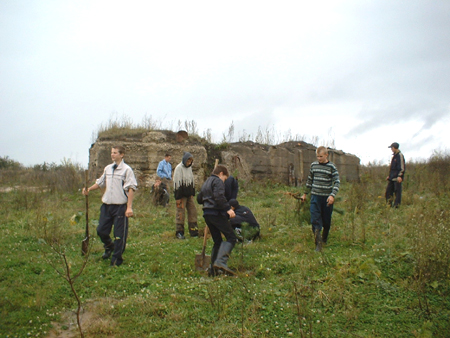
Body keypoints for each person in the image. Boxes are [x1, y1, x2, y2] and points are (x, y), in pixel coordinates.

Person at [82, 146, 137, 266]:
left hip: (120, 207)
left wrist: (129, 207)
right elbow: (100, 183)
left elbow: (131, 188)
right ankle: (109, 246)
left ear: (122, 154)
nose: (112, 155)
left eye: (115, 153)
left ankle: (116, 259)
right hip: (107, 205)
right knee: (101, 230)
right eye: (112, 153)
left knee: (119, 235)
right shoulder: (108, 168)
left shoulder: (127, 170)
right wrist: (89, 189)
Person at [197, 165, 237, 275]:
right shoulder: (218, 181)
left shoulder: (206, 182)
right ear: (221, 174)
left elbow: (199, 199)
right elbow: (219, 196)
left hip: (207, 214)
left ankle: (212, 270)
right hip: (216, 213)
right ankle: (220, 262)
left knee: (218, 241)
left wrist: (207, 199)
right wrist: (228, 209)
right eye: (225, 178)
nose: (224, 181)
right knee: (231, 237)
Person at [300, 146, 340, 252]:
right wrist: (305, 194)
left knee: (326, 221)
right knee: (315, 220)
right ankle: (318, 243)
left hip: (326, 199)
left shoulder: (332, 167)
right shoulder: (314, 166)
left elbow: (337, 182)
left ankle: (324, 238)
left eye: (321, 156)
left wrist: (332, 195)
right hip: (315, 197)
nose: (319, 158)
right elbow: (310, 180)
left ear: (326, 155)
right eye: (317, 156)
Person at [173, 152, 198, 239]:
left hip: (188, 195)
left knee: (193, 211)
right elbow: (177, 183)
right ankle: (179, 232)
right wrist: (178, 197)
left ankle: (193, 230)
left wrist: (192, 193)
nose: (189, 163)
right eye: (188, 161)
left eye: (191, 161)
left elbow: (191, 180)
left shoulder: (189, 168)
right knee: (180, 213)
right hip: (181, 195)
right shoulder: (179, 168)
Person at [385, 142, 406, 208]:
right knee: (388, 193)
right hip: (392, 178)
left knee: (397, 193)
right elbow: (392, 168)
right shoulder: (394, 157)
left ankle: (396, 207)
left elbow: (402, 167)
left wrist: (400, 176)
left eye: (391, 148)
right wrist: (389, 176)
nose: (391, 149)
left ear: (394, 148)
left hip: (397, 179)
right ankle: (389, 205)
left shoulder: (400, 155)